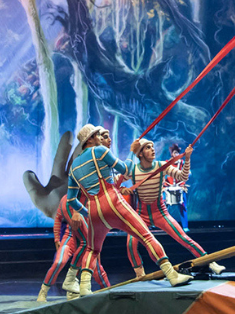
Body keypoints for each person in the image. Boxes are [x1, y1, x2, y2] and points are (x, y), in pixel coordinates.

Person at [67, 124, 192, 293]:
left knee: (92, 249)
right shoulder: (99, 151)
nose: (100, 138)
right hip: (112, 201)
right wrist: (132, 152)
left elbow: (71, 200)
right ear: (90, 139)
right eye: (97, 135)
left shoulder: (74, 166)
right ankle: (172, 275)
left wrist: (87, 213)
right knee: (146, 236)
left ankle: (84, 286)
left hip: (94, 209)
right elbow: (126, 168)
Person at [120, 139, 225, 277]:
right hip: (140, 215)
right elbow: (115, 182)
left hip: (160, 213)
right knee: (130, 244)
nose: (153, 149)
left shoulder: (161, 166)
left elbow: (183, 176)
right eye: (147, 147)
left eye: (152, 147)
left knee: (183, 238)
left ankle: (210, 262)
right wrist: (122, 189)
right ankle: (140, 274)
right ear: (140, 154)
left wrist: (187, 158)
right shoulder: (133, 170)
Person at [36, 195, 110, 302]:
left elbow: (97, 224)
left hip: (88, 240)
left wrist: (97, 246)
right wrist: (57, 239)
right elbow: (58, 217)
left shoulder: (92, 199)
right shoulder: (67, 199)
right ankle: (43, 291)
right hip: (71, 238)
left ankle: (108, 291)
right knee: (59, 262)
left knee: (97, 269)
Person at [163, 144, 190, 231]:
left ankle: (185, 227)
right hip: (168, 188)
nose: (176, 154)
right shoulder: (167, 163)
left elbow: (187, 173)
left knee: (183, 207)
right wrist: (164, 183)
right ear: (172, 154)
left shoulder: (182, 163)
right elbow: (162, 174)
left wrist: (183, 181)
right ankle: (165, 227)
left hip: (180, 187)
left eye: (177, 152)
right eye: (174, 152)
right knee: (163, 207)